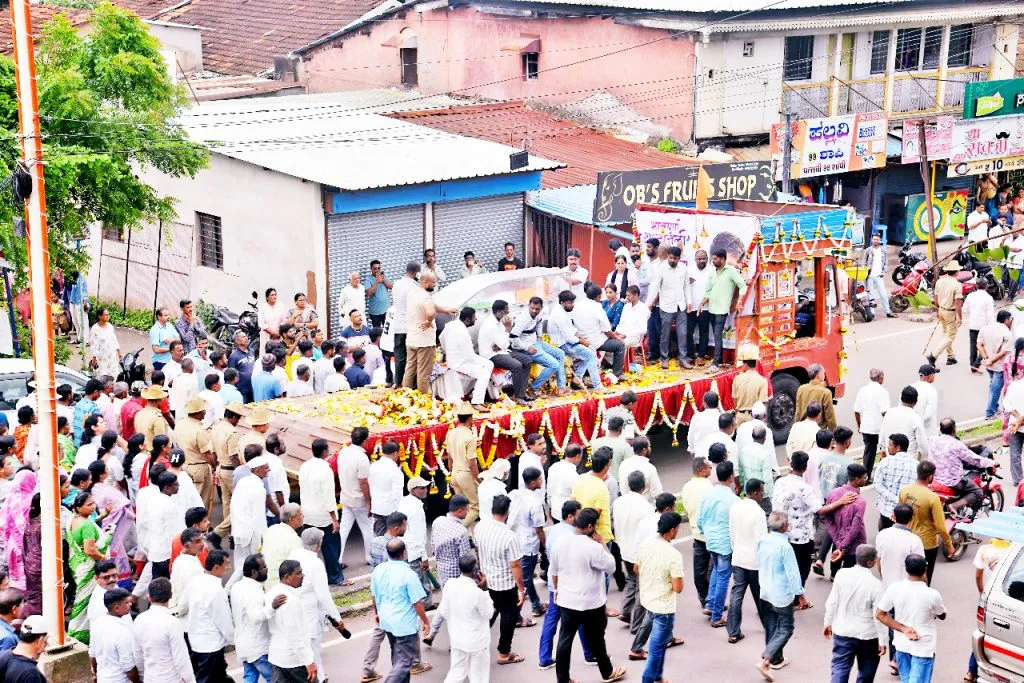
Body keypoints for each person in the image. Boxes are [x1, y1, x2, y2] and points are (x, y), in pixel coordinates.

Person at [550, 507, 624, 683]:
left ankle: (563, 678)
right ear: (590, 526)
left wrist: (557, 589)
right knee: (597, 639)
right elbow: (612, 566)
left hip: (567, 599)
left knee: (565, 640)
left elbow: (554, 571)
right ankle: (607, 672)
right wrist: (603, 544)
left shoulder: (560, 542)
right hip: (591, 601)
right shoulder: (592, 547)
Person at [773, 452, 852, 589]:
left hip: (782, 533)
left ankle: (793, 596)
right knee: (802, 569)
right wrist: (840, 502)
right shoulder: (805, 488)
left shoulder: (780, 482)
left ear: (790, 464)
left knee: (787, 566)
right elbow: (819, 510)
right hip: (801, 537)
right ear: (805, 469)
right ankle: (797, 597)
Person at [876, 554, 946, 683]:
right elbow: (942, 615)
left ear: (906, 570)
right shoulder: (932, 594)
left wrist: (903, 628)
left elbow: (880, 614)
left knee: (906, 679)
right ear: (925, 570)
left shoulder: (894, 588)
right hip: (923, 646)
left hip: (902, 644)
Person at [370, 539, 432, 683]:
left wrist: (377, 614)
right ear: (404, 553)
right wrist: (426, 622)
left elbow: (374, 596)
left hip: (387, 621)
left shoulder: (379, 570)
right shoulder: (408, 574)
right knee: (405, 661)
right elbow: (417, 602)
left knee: (397, 658)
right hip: (404, 625)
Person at [823, 544, 887, 683]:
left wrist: (828, 623)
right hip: (868, 636)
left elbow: (832, 601)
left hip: (843, 631)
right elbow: (879, 616)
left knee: (840, 667)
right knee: (866, 671)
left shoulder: (841, 574)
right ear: (870, 562)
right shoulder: (875, 585)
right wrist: (882, 640)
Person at [635, 511, 685, 683]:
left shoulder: (646, 544)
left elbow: (636, 568)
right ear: (672, 530)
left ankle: (657, 677)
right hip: (664, 606)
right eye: (678, 529)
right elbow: (678, 587)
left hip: (648, 599)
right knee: (656, 648)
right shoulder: (673, 555)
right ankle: (647, 679)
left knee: (661, 643)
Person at [475, 494, 526, 665]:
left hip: (486, 580)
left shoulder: (480, 527)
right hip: (505, 584)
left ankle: (475, 643)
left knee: (490, 613)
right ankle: (504, 652)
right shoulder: (509, 536)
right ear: (507, 512)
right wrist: (521, 589)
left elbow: (477, 549)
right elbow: (515, 566)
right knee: (508, 616)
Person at [290, 528, 346, 682]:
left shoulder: (294, 554)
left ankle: (319, 677)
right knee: (313, 652)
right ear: (318, 545)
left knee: (305, 652)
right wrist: (337, 618)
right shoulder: (315, 563)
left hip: (294, 609)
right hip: (309, 612)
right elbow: (323, 595)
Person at [756, 511, 807, 680]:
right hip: (781, 594)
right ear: (785, 526)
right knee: (786, 628)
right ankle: (767, 659)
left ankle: (776, 659)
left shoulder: (762, 541)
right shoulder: (785, 547)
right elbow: (793, 574)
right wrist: (800, 595)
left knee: (771, 626)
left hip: (765, 590)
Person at [423, 495, 473, 647]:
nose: (468, 512)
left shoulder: (438, 522)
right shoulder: (461, 531)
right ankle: (456, 642)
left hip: (443, 571)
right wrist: (475, 577)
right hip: (458, 574)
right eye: (467, 509)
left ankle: (432, 633)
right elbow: (466, 560)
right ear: (459, 511)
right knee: (459, 610)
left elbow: (432, 544)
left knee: (446, 602)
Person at [614, 471, 654, 657]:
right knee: (641, 587)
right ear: (644, 486)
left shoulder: (619, 502)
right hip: (638, 551)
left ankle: (626, 610)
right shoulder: (645, 507)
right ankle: (636, 624)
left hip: (624, 547)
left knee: (631, 580)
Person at [439, 552, 492, 683]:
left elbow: (444, 612)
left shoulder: (450, 585)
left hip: (457, 639)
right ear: (476, 570)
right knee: (478, 677)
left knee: (456, 673)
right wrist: (485, 591)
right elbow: (488, 614)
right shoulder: (477, 592)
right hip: (477, 642)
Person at [898, 461, 954, 585]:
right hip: (927, 544)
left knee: (908, 575)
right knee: (924, 578)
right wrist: (949, 545)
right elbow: (940, 526)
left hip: (907, 539)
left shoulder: (904, 490)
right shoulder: (932, 498)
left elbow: (899, 513)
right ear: (930, 477)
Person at [698, 460, 739, 627]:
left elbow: (700, 520)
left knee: (716, 570)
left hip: (710, 539)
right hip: (724, 542)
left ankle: (710, 603)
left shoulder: (708, 494)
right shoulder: (733, 500)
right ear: (731, 478)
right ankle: (716, 615)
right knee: (723, 576)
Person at [728, 479, 769, 643]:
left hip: (738, 557)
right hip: (754, 561)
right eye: (762, 491)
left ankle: (733, 630)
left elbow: (731, 532)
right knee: (760, 595)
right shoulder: (758, 513)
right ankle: (768, 624)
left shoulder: (736, 506)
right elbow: (761, 540)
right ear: (757, 491)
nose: (763, 494)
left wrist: (735, 548)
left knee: (737, 595)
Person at [132, 578, 195, 683]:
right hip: (171, 679)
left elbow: (138, 655)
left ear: (149, 598)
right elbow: (181, 659)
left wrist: (143, 677)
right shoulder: (172, 622)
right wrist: (191, 680)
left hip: (150, 678)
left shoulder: (139, 620)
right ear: (171, 595)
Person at [299, 438, 344, 585]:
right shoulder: (326, 469)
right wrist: (335, 520)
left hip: (307, 513)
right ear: (325, 451)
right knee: (331, 547)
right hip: (323, 515)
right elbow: (329, 497)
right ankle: (335, 577)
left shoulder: (304, 466)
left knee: (311, 548)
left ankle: (312, 577)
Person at [929, 418, 996, 514]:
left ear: (940, 429)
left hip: (934, 477)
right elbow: (974, 459)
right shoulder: (956, 444)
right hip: (952, 481)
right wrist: (992, 463)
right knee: (977, 492)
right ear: (954, 429)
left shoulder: (932, 440)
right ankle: (953, 506)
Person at [697, 247, 748, 372]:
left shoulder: (731, 271)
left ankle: (716, 364)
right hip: (712, 308)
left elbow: (742, 285)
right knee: (716, 335)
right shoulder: (713, 272)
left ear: (722, 259)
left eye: (715, 259)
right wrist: (701, 304)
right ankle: (717, 361)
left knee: (717, 334)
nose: (713, 261)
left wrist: (739, 301)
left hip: (722, 309)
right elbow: (709, 291)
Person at [267, 559, 317, 683]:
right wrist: (309, 662)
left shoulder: (271, 593)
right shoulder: (291, 601)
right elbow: (295, 635)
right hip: (294, 661)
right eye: (298, 573)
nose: (303, 575)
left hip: (277, 658)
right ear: (287, 577)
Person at [188, 549, 234, 681]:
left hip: (197, 641)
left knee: (220, 677)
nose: (229, 567)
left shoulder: (196, 582)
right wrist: (232, 639)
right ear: (216, 567)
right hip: (211, 645)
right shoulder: (215, 590)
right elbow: (223, 620)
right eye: (226, 564)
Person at [230, 554, 276, 683]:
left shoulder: (237, 586)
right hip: (258, 647)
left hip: (244, 645)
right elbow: (255, 616)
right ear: (254, 572)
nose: (267, 569)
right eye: (263, 567)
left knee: (250, 678)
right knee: (275, 679)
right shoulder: (253, 589)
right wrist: (272, 607)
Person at [510, 296, 568, 396]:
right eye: (532, 308)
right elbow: (513, 339)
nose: (534, 311)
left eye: (537, 309)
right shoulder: (523, 319)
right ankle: (533, 388)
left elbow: (539, 322)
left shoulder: (539, 314)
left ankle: (561, 387)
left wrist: (540, 336)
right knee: (554, 364)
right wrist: (527, 348)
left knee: (560, 353)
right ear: (529, 306)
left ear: (541, 308)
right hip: (526, 347)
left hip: (536, 343)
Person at [478, 300, 533, 406]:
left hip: (502, 351)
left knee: (527, 360)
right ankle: (518, 397)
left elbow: (503, 344)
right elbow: (504, 343)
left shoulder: (498, 321)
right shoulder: (490, 324)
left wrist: (501, 342)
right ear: (499, 312)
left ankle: (521, 392)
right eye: (506, 311)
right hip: (491, 355)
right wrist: (508, 329)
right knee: (516, 365)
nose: (508, 313)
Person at [229, 452, 270, 589]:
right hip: (251, 534)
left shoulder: (243, 482)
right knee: (249, 565)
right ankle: (229, 589)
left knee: (240, 564)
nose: (268, 470)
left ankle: (234, 590)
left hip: (239, 530)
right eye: (266, 467)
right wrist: (263, 538)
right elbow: (259, 518)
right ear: (258, 470)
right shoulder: (258, 489)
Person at [646, 245, 692, 369]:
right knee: (664, 334)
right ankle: (664, 358)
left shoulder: (683, 268)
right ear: (668, 256)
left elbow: (687, 285)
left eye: (675, 258)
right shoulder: (661, 269)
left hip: (680, 305)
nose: (672, 260)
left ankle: (682, 358)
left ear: (679, 258)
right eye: (670, 258)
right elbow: (655, 286)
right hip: (666, 306)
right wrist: (649, 303)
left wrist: (689, 301)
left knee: (682, 334)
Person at [510, 467, 547, 620]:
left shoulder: (514, 494)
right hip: (528, 545)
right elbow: (539, 530)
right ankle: (516, 616)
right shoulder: (535, 503)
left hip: (515, 541)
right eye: (539, 479)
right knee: (523, 582)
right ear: (532, 483)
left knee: (525, 578)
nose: (542, 481)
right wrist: (545, 546)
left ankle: (536, 605)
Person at [440, 307, 494, 408]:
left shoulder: (450, 325)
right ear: (467, 320)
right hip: (459, 363)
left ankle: (472, 392)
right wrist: (480, 363)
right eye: (474, 317)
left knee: (489, 364)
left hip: (452, 358)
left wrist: (446, 352)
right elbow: (470, 356)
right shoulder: (463, 333)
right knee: (484, 372)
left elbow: (441, 338)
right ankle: (477, 402)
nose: (476, 319)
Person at [820, 464, 868, 578]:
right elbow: (854, 530)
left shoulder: (834, 493)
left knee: (835, 569)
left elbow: (828, 518)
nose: (865, 480)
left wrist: (837, 541)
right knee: (849, 574)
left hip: (837, 540)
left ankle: (833, 576)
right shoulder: (860, 501)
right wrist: (843, 546)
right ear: (856, 479)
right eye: (864, 477)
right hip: (853, 545)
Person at [680, 456, 714, 610]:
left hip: (696, 533)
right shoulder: (709, 486)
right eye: (709, 468)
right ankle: (712, 599)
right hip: (710, 533)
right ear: (702, 471)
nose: (711, 470)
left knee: (699, 569)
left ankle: (703, 597)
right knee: (715, 569)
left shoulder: (686, 487)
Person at [549, 290, 601, 390]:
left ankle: (578, 378)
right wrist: (582, 341)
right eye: (570, 303)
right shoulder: (559, 315)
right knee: (591, 356)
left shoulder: (563, 310)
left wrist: (581, 337)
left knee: (592, 350)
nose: (572, 305)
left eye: (573, 302)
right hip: (562, 345)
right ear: (562, 302)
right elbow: (569, 338)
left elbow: (571, 330)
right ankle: (597, 386)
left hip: (567, 341)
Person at [337, 427, 374, 566]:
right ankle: (370, 557)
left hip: (346, 497)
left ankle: (338, 558)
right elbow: (363, 482)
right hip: (359, 500)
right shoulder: (362, 458)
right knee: (367, 528)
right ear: (365, 441)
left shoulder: (343, 452)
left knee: (344, 529)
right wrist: (369, 502)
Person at [577, 283, 627, 380]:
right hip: (595, 341)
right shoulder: (597, 308)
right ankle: (617, 374)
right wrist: (617, 337)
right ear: (599, 296)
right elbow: (607, 331)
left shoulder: (578, 304)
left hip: (580, 339)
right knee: (620, 345)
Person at [89, 588, 139, 683]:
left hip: (102, 678)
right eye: (127, 602)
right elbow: (129, 668)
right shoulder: (122, 632)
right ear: (116, 608)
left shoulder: (97, 623)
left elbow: (93, 655)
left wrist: (95, 675)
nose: (131, 604)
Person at [570, 447, 614, 549]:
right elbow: (594, 516)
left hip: (581, 533)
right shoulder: (602, 488)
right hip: (599, 536)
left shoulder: (580, 478)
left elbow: (572, 503)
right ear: (606, 466)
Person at [397, 477, 432, 606]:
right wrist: (424, 557)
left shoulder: (405, 502)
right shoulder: (416, 510)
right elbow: (418, 536)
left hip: (405, 548)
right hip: (414, 551)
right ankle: (426, 605)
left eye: (425, 487)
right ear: (413, 490)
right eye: (421, 488)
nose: (425, 490)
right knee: (421, 580)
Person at [446, 404, 480, 526]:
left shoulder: (451, 433)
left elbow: (449, 458)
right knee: (475, 508)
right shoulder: (469, 436)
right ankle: (458, 529)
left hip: (455, 473)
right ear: (470, 418)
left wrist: (451, 474)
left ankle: (468, 535)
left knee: (461, 509)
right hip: (465, 474)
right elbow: (471, 463)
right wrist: (478, 478)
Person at [926, 261, 965, 367]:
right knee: (950, 335)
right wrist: (959, 317)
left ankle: (950, 357)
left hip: (941, 309)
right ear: (957, 272)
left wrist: (938, 309)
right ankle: (933, 355)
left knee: (946, 333)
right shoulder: (957, 285)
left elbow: (936, 297)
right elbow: (958, 303)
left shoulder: (940, 281)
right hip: (950, 312)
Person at [854, 368, 890, 478]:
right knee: (886, 450)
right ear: (879, 378)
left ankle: (866, 476)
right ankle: (886, 474)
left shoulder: (862, 390)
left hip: (866, 427)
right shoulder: (882, 391)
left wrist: (859, 425)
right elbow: (885, 412)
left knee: (869, 452)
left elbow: (856, 410)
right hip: (879, 428)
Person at [390, 261, 421, 388]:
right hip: (410, 326)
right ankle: (409, 385)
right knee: (411, 357)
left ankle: (398, 383)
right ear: (416, 273)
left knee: (399, 356)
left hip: (398, 326)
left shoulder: (397, 284)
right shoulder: (414, 287)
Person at [979, 310, 1015, 419]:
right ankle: (990, 412)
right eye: (1010, 320)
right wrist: (991, 360)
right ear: (1006, 320)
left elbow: (979, 345)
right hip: (1000, 366)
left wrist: (986, 358)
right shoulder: (1006, 333)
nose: (1011, 322)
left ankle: (995, 407)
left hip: (989, 365)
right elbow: (1004, 352)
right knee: (995, 389)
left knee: (993, 386)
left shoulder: (985, 328)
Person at [879, 387, 929, 460]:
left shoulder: (889, 413)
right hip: (909, 460)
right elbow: (923, 446)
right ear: (915, 402)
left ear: (901, 398)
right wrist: (920, 459)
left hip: (890, 458)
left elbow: (882, 436)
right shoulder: (915, 418)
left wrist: (883, 450)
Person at [262, 503, 304, 589]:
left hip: (266, 582)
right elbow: (299, 565)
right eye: (300, 515)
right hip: (282, 587)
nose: (303, 516)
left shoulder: (270, 530)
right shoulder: (294, 539)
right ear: (291, 519)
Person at [369, 440, 403, 537]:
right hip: (391, 510)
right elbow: (398, 495)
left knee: (380, 539)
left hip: (376, 508)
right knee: (393, 541)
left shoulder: (373, 466)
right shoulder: (395, 471)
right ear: (395, 453)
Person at [738, 425, 775, 511]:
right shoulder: (765, 454)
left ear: (752, 436)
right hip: (761, 495)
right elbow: (767, 479)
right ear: (764, 438)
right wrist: (770, 496)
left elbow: (741, 472)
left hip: (748, 492)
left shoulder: (743, 450)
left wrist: (743, 488)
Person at [963, 278, 996, 372]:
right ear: (987, 286)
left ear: (976, 286)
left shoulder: (970, 296)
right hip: (984, 326)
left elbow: (964, 309)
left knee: (973, 345)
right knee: (985, 345)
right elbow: (990, 315)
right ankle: (976, 364)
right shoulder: (988, 298)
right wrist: (992, 326)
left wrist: (973, 311)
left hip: (973, 324)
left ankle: (972, 364)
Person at [547, 444, 582, 523]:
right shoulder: (575, 476)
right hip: (567, 516)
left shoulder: (553, 467)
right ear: (578, 456)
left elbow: (549, 490)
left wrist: (550, 507)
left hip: (554, 511)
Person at [794, 365, 837, 430]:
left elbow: (798, 412)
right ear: (818, 374)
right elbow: (830, 417)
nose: (824, 375)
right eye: (823, 373)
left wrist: (796, 428)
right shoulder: (826, 392)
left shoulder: (801, 389)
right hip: (818, 431)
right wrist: (834, 434)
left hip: (803, 429)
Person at [88, 308, 123, 378]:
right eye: (105, 315)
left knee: (113, 374)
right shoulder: (95, 329)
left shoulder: (110, 326)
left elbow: (114, 339)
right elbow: (94, 344)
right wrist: (94, 358)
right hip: (101, 357)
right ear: (99, 316)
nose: (107, 316)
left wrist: (119, 351)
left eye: (108, 315)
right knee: (103, 375)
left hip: (111, 355)